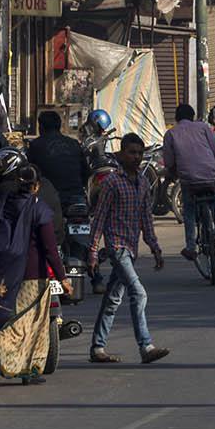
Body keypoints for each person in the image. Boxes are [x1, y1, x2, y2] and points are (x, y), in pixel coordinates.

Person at [0, 150, 65, 384]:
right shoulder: (39, 205)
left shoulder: (5, 200)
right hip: (33, 274)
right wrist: (62, 276)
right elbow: (51, 244)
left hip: (2, 269)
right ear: (36, 186)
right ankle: (14, 362)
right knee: (29, 324)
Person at [87, 134, 167, 366]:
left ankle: (97, 347)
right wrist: (93, 251)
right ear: (121, 154)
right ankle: (146, 345)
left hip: (131, 248)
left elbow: (146, 219)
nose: (136, 157)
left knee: (113, 298)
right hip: (117, 247)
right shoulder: (112, 182)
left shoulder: (142, 183)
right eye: (131, 152)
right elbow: (99, 218)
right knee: (138, 292)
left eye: (140, 153)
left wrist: (155, 248)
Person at [161, 102, 215, 256]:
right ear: (193, 117)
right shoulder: (203, 127)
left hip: (189, 181)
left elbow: (169, 162)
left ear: (177, 118)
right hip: (210, 176)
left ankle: (191, 247)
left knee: (189, 211)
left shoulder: (171, 134)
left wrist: (172, 173)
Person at [26, 109, 88, 213]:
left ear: (41, 127)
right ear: (59, 126)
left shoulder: (36, 145)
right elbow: (86, 173)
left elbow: (30, 173)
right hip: (76, 197)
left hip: (48, 199)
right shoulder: (74, 144)